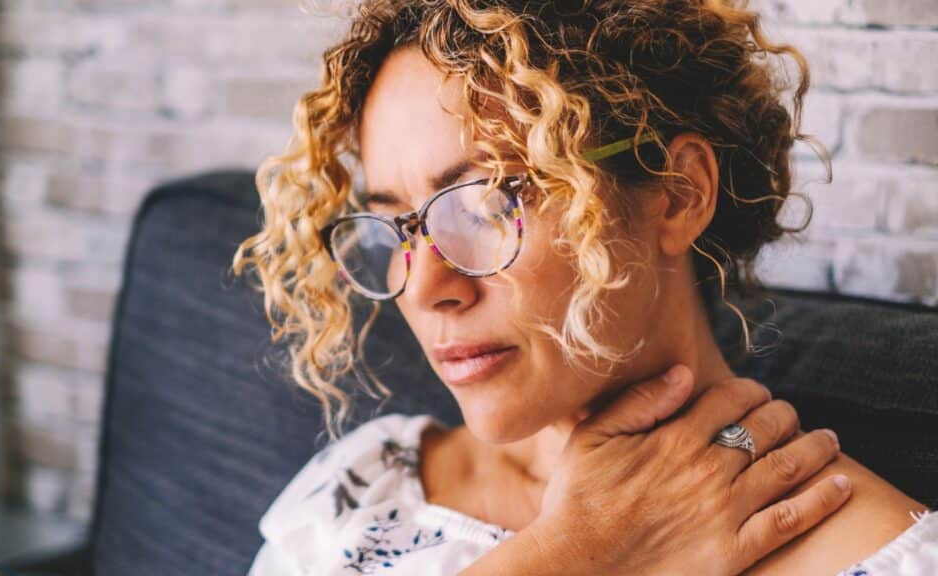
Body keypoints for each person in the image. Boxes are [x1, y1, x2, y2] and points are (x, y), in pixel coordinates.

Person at [232, 1, 936, 574]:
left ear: (678, 193)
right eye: (395, 228)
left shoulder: (880, 556)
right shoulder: (363, 487)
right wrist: (571, 554)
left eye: (486, 203)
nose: (424, 286)